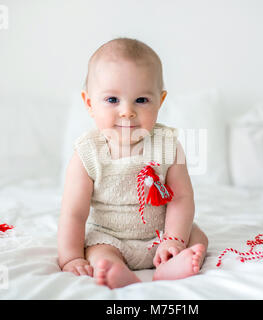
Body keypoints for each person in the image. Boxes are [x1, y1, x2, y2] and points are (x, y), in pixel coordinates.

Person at [57, 37, 208, 289]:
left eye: (141, 100)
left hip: (162, 237)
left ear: (160, 101)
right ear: (89, 103)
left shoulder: (168, 145)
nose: (127, 111)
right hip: (111, 237)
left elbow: (181, 198)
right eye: (112, 100)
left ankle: (171, 264)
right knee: (97, 251)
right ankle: (116, 270)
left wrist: (173, 240)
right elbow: (74, 213)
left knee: (197, 236)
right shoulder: (87, 153)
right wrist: (71, 257)